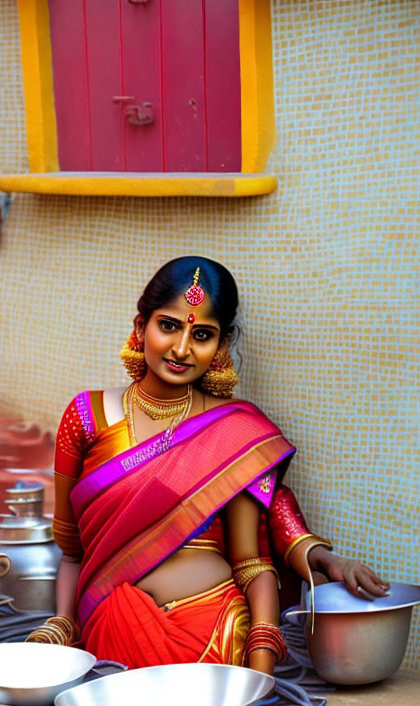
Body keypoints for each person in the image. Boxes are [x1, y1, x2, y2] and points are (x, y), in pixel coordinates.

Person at [28, 257, 388, 675]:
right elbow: (72, 552)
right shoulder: (86, 416)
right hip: (110, 636)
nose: (182, 349)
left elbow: (251, 562)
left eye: (201, 335)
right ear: (141, 323)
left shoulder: (236, 431)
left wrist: (260, 660)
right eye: (168, 326)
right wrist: (63, 625)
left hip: (216, 640)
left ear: (220, 346)